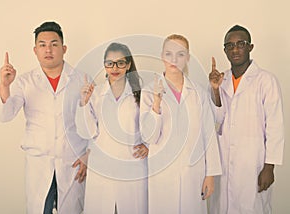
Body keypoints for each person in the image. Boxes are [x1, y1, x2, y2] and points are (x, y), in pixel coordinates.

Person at [0, 21, 88, 214]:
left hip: (72, 163)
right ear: (35, 50)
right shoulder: (24, 82)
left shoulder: (81, 79)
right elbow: (6, 115)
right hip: (39, 164)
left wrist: (88, 155)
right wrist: (4, 86)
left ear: (64, 49)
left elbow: (95, 122)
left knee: (72, 209)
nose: (48, 49)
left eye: (54, 44)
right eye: (42, 45)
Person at [140, 34, 222, 214]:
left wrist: (210, 174)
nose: (174, 60)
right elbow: (149, 137)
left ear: (188, 58)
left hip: (193, 173)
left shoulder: (198, 93)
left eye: (180, 54)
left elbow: (208, 134)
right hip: (162, 174)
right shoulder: (148, 92)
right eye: (169, 54)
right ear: (162, 56)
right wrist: (156, 104)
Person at [209, 25, 284, 214]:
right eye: (230, 45)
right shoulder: (221, 80)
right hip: (224, 161)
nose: (235, 49)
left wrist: (269, 167)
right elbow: (216, 121)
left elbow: (275, 127)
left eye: (240, 44)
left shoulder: (266, 80)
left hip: (253, 162)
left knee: (253, 207)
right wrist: (216, 90)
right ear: (225, 50)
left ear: (250, 47)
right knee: (223, 207)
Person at [77, 42, 148, 214]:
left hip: (132, 166)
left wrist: (148, 145)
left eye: (120, 63)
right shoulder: (95, 94)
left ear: (128, 65)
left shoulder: (141, 94)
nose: (114, 68)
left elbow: (151, 127)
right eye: (110, 63)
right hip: (102, 168)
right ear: (104, 65)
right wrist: (83, 104)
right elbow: (86, 132)